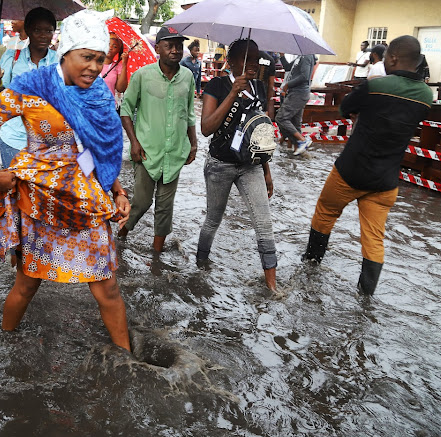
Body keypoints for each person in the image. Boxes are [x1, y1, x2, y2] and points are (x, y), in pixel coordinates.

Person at [0, 9, 132, 351]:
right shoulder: (34, 87)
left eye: (100, 59)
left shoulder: (99, 94)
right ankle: (5, 346)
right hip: (40, 201)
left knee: (108, 288)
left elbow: (100, 150)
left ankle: (127, 362)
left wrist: (116, 189)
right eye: (86, 57)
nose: (93, 67)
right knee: (28, 285)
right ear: (66, 52)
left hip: (86, 198)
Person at [302, 35, 433, 295]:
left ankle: (309, 269)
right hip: (386, 180)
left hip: (350, 171)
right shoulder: (426, 95)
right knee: (374, 238)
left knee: (325, 215)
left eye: (385, 57)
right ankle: (366, 297)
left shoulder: (376, 85)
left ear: (393, 57)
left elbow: (345, 108)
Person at [195, 39, 278, 292]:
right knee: (213, 220)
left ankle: (272, 287)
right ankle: (200, 265)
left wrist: (267, 172)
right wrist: (232, 94)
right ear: (231, 62)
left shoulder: (259, 88)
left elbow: (261, 134)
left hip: (251, 166)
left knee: (264, 223)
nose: (253, 64)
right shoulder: (217, 85)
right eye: (247, 59)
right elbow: (207, 128)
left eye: (255, 59)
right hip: (220, 163)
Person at [118, 25, 198, 253]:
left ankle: (156, 256)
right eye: (169, 45)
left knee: (165, 207)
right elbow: (126, 109)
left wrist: (193, 143)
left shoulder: (188, 77)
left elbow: (190, 112)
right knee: (142, 202)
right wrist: (134, 142)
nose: (175, 50)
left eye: (178, 46)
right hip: (146, 151)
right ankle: (120, 235)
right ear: (158, 48)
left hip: (175, 151)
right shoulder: (143, 75)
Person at [0, 7, 58, 169]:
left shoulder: (59, 62)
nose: (43, 35)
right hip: (13, 139)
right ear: (28, 31)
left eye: (48, 30)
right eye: (37, 30)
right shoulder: (12, 58)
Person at [278, 53, 316, 155]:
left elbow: (304, 76)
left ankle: (302, 140)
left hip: (298, 93)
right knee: (295, 124)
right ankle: (299, 151)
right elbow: (287, 67)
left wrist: (288, 85)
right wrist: (281, 56)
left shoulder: (307, 56)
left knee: (281, 118)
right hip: (295, 93)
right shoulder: (300, 57)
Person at [100, 32, 129, 98]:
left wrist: (124, 65)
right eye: (108, 44)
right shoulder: (93, 63)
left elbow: (121, 89)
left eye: (114, 46)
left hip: (108, 106)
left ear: (118, 50)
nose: (110, 48)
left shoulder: (118, 67)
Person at [257, 50, 277, 117]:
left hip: (245, 95)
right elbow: (271, 85)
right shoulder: (270, 59)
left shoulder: (246, 56)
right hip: (262, 96)